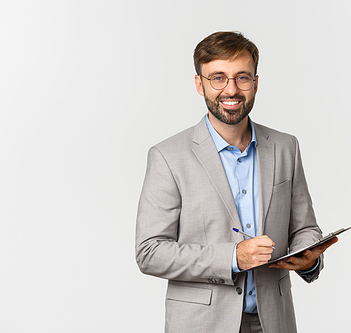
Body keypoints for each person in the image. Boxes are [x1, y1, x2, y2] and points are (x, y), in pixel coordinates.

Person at [135, 31, 337, 333]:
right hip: (201, 325)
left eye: (242, 78)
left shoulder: (285, 147)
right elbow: (150, 251)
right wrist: (233, 257)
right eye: (218, 78)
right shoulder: (167, 156)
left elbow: (304, 228)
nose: (231, 89)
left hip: (274, 322)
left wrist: (307, 257)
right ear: (199, 84)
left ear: (255, 83)